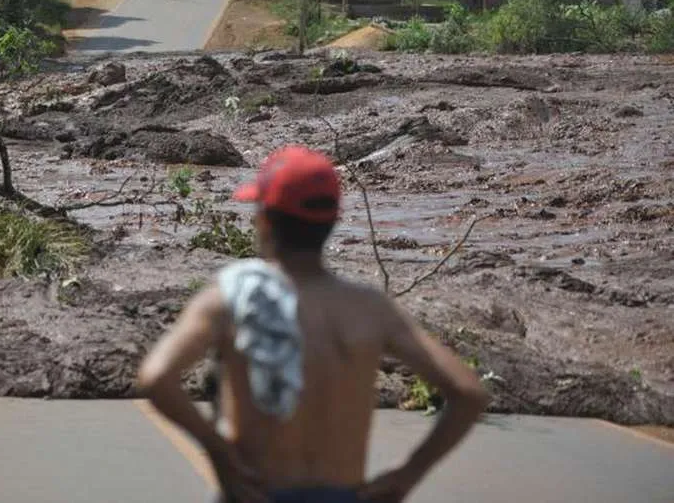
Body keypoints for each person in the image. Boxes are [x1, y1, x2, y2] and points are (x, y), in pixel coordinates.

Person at [138, 145, 489, 503]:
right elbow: (468, 393)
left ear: (264, 220)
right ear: (333, 221)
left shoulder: (232, 294)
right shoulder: (369, 307)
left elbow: (156, 377)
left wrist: (219, 451)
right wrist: (407, 474)